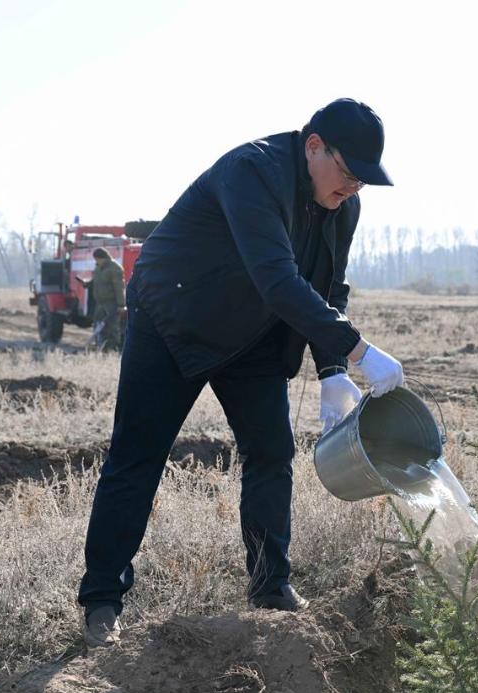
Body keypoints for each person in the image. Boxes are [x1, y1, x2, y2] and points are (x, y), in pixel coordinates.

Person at [77, 98, 404, 648]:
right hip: (174, 316)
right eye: (347, 174)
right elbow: (277, 277)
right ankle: (102, 600)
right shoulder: (251, 171)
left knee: (273, 451)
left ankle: (270, 587)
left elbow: (329, 286)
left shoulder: (344, 207)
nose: (352, 189)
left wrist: (330, 371)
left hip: (253, 334)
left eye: (363, 182)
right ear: (314, 146)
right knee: (139, 454)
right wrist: (355, 351)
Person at [77, 247, 126, 350]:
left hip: (111, 303)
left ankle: (113, 349)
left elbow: (119, 288)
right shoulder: (99, 267)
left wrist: (121, 305)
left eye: (97, 259)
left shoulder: (115, 268)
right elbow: (96, 280)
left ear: (103, 258)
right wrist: (87, 284)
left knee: (111, 327)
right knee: (98, 324)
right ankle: (101, 346)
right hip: (100, 303)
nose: (96, 261)